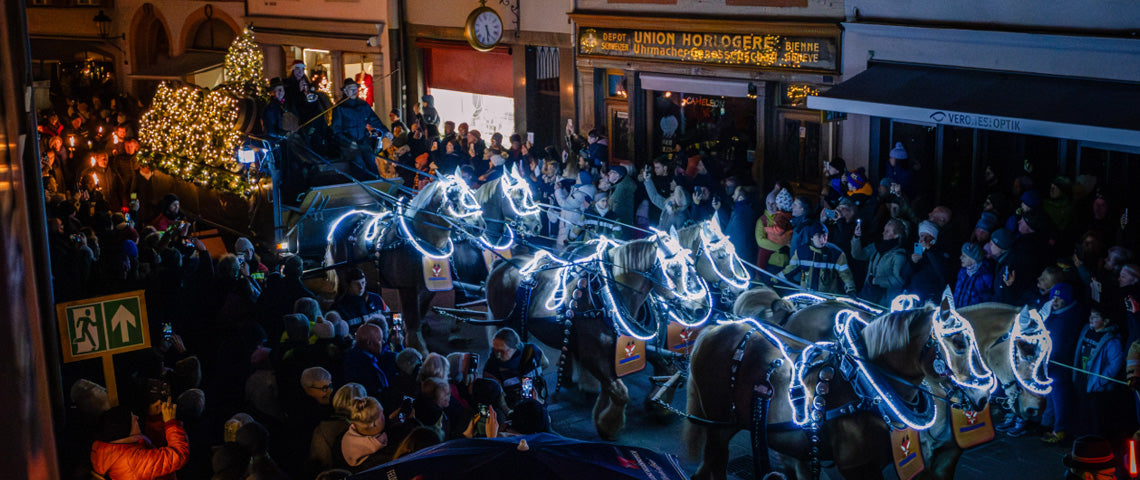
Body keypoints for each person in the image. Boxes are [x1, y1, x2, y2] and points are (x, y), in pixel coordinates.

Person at [90, 400, 189, 480]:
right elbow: (179, 455)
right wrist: (171, 423)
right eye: (133, 419)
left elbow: (152, 452)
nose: (137, 417)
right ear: (126, 429)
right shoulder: (132, 462)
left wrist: (154, 419)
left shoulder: (113, 449)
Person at [1074, 304, 1126, 440]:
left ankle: (1098, 442)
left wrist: (1100, 381)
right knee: (1083, 413)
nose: (1091, 319)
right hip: (1083, 380)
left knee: (1097, 416)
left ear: (1106, 321)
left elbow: (1115, 364)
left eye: (1096, 317)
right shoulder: (1086, 331)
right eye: (1091, 315)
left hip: (1098, 388)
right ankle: (1084, 439)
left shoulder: (1112, 340)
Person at [331, 78, 388, 179]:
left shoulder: (363, 105)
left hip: (363, 141)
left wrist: (385, 131)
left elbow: (374, 120)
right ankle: (363, 185)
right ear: (345, 91)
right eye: (351, 89)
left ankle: (376, 183)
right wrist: (348, 142)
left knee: (372, 163)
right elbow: (336, 130)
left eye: (355, 88)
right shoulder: (340, 108)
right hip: (348, 145)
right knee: (359, 164)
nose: (354, 91)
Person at [779, 221, 856, 295]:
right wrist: (776, 279)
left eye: (825, 236)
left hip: (827, 298)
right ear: (811, 237)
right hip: (806, 296)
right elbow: (789, 270)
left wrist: (850, 289)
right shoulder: (801, 252)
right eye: (819, 236)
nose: (823, 239)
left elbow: (845, 274)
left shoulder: (836, 253)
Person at [483, 327, 547, 407]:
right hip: (515, 409)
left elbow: (545, 364)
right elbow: (498, 398)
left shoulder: (532, 351)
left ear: (514, 347)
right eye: (495, 350)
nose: (498, 355)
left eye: (502, 351)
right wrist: (509, 412)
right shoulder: (491, 368)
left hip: (539, 402)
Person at [850, 218, 910, 304]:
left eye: (887, 231)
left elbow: (898, 280)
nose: (883, 233)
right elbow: (858, 255)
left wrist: (876, 281)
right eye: (884, 230)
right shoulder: (877, 248)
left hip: (884, 301)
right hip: (868, 294)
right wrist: (856, 238)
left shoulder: (899, 256)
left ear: (896, 235)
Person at [341, 396, 389, 471]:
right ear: (374, 424)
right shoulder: (379, 460)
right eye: (382, 413)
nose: (384, 416)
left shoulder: (345, 437)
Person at [953, 242, 994, 308]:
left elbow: (986, 299)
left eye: (964, 256)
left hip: (972, 313)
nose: (960, 258)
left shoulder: (985, 276)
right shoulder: (962, 272)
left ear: (973, 259)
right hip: (958, 310)